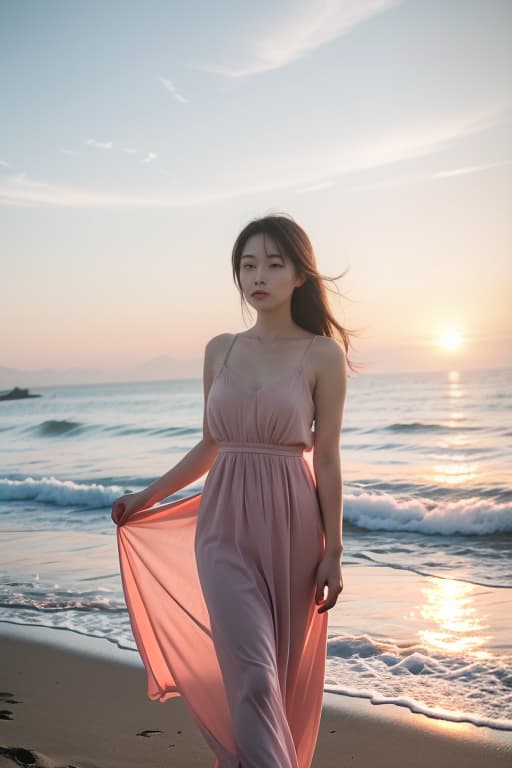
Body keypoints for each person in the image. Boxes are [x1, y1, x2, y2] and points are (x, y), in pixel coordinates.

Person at [111, 213, 359, 768]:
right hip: (222, 528)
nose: (259, 276)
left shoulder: (322, 355)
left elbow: (328, 455)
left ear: (300, 275)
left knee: (276, 681)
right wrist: (145, 498)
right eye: (248, 265)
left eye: (274, 263)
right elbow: (209, 445)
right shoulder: (219, 349)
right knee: (249, 674)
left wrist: (334, 551)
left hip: (295, 530)